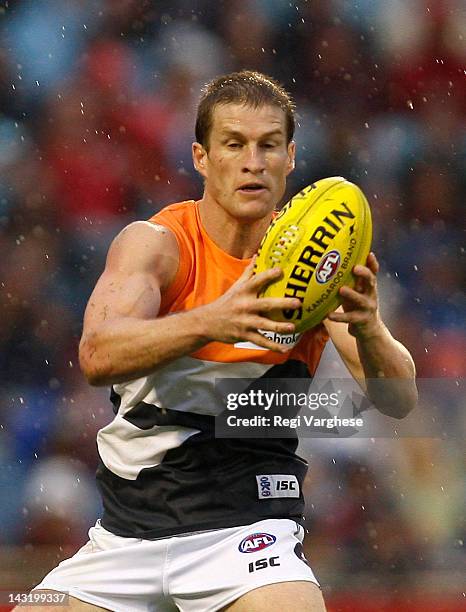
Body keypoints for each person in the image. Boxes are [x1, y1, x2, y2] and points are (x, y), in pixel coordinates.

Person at [20, 70, 417, 612]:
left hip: (247, 535)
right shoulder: (157, 245)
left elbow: (398, 400)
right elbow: (96, 354)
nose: (253, 161)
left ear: (291, 157)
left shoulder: (314, 266)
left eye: (268, 145)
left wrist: (369, 328)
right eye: (234, 144)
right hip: (123, 538)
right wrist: (211, 320)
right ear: (201, 158)